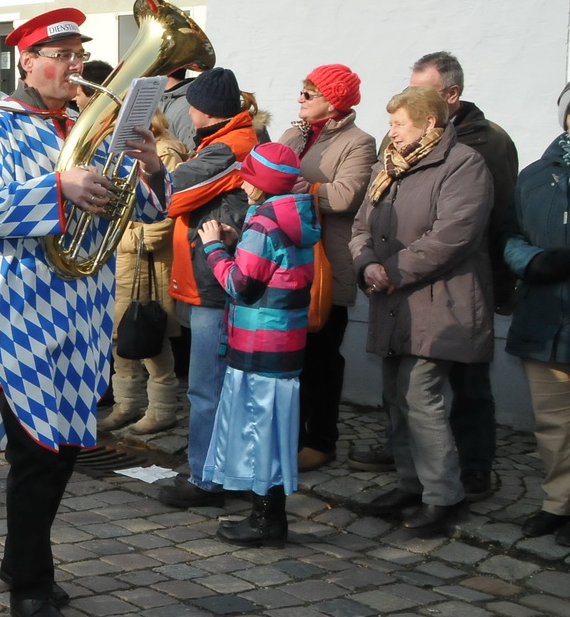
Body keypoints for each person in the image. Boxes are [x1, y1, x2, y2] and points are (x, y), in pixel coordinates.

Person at [0, 8, 169, 617]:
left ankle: (20, 562)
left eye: (80, 54)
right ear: (26, 59)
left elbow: (140, 208)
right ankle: (29, 584)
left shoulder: (87, 124)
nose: (76, 66)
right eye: (62, 54)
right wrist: (59, 187)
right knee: (37, 454)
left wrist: (148, 167)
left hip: (81, 311)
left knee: (67, 448)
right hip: (19, 310)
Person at [347, 86, 493, 536]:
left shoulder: (463, 164)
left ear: (429, 123)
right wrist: (366, 262)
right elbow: (360, 226)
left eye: (398, 124)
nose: (390, 132)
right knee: (395, 395)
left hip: (439, 302)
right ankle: (410, 484)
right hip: (392, 299)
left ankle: (443, 496)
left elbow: (454, 235)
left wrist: (392, 270)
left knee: (420, 396)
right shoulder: (388, 166)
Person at [403, 52, 516, 500]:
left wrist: (498, 286)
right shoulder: (409, 136)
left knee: (468, 380)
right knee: (411, 382)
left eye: (422, 92)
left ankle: (474, 465)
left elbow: (499, 215)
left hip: (465, 279)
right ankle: (417, 460)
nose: (412, 100)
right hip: (411, 277)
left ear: (451, 95)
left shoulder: (486, 143)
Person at [196, 143, 320, 544]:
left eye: (249, 179)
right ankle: (267, 516)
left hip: (259, 344)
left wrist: (214, 248)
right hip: (283, 342)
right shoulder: (292, 215)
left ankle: (266, 520)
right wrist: (237, 244)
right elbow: (271, 268)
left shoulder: (263, 223)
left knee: (258, 429)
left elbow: (242, 285)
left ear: (258, 185)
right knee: (272, 428)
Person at [157, 68, 264, 509]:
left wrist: (151, 164)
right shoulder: (229, 141)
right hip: (213, 281)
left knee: (208, 389)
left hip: (216, 285)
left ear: (199, 109)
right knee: (221, 386)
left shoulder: (228, 147)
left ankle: (207, 479)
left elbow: (171, 195)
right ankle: (228, 473)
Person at [280, 65, 376, 471]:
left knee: (321, 357)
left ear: (333, 101)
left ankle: (320, 438)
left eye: (309, 93)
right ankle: (288, 434)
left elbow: (347, 196)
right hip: (284, 259)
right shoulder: (291, 134)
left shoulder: (360, 142)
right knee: (288, 357)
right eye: (301, 92)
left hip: (327, 263)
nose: (300, 99)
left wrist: (306, 188)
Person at [499, 81, 570, 546]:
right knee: (554, 420)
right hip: (545, 316)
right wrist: (531, 261)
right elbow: (507, 234)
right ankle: (558, 502)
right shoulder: (536, 173)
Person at [106, 111, 190, 435]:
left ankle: (162, 409)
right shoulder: (120, 152)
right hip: (124, 266)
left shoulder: (164, 151)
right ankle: (126, 404)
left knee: (151, 340)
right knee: (121, 339)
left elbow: (166, 218)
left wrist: (117, 236)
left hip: (147, 267)